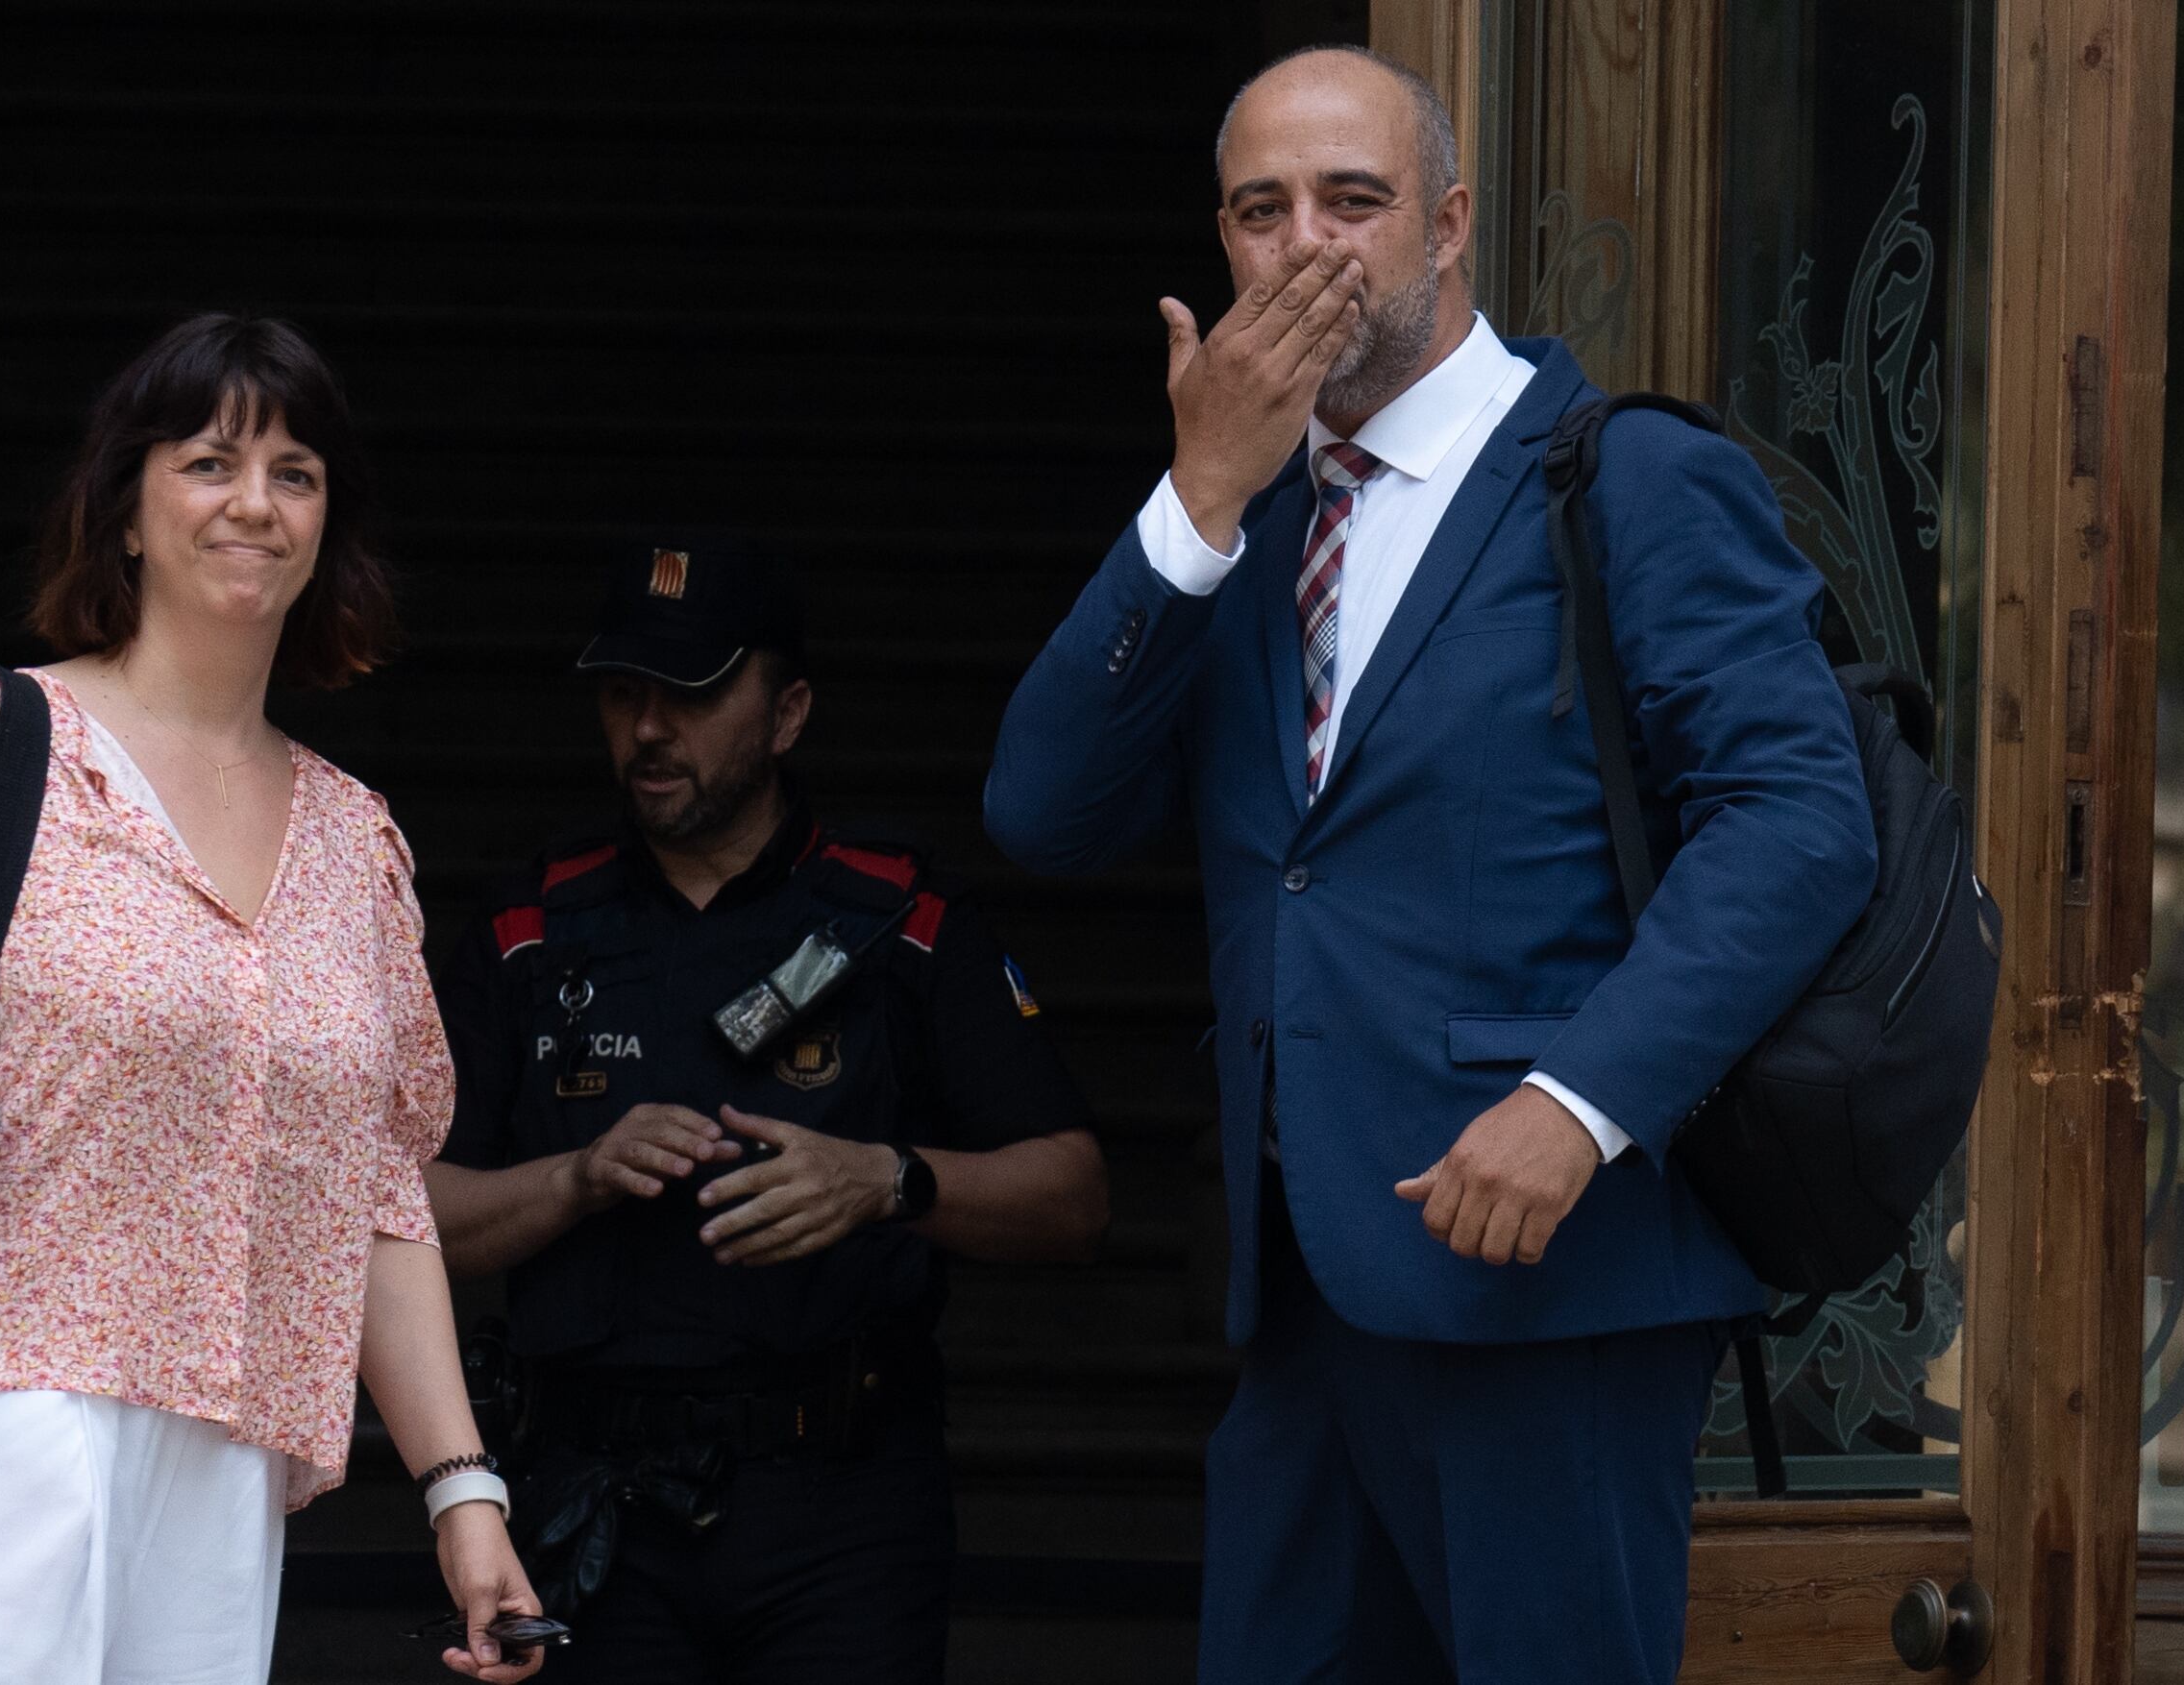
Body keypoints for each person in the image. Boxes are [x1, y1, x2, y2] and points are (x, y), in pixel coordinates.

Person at [984, 45, 1878, 1683]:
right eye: (1260, 212)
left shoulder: (1623, 481)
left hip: (1553, 1281)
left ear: (1449, 223)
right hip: (1305, 1288)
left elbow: (1799, 817)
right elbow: (1040, 811)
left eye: (1352, 199)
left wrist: (1579, 1102)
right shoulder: (1237, 520)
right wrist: (1194, 498)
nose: (1304, 244)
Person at [0, 314, 543, 1685]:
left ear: (327, 529)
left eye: (295, 472)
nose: (254, 502)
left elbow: (376, 1189)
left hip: (226, 1456)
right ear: (124, 508)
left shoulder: (355, 842)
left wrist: (459, 1487)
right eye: (208, 461)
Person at [424, 536, 1109, 1684]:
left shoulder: (901, 913)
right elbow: (404, 1217)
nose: (647, 729)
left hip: (841, 1501)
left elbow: (1076, 1193)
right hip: (592, 1494)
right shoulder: (527, 922)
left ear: (787, 712)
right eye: (623, 693)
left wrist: (888, 1179)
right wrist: (578, 1175)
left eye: (689, 695)